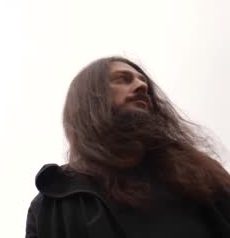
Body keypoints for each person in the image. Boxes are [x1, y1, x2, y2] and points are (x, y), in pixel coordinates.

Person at [25, 56, 230, 237]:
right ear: (91, 99)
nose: (142, 87)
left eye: (145, 85)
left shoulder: (201, 178)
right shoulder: (53, 205)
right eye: (122, 79)